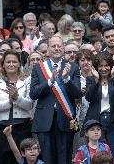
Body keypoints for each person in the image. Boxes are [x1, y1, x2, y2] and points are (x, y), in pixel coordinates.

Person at [30, 36, 82, 164]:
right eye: (53, 46)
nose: (57, 48)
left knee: (64, 158)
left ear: (63, 48)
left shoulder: (73, 67)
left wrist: (66, 79)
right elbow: (33, 94)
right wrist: (50, 81)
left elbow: (77, 94)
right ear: (47, 49)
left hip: (65, 119)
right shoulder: (39, 68)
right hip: (44, 120)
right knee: (47, 159)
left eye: (59, 46)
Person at [0, 50, 33, 164]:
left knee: (22, 160)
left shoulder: (27, 81)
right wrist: (9, 100)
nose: (11, 64)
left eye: (14, 61)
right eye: (8, 62)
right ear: (3, 64)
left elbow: (29, 105)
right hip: (1, 129)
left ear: (19, 64)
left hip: (22, 127)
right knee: (2, 159)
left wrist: (17, 98)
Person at [84, 52, 114, 158]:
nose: (104, 69)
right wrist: (96, 80)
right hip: (96, 121)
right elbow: (89, 97)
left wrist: (113, 77)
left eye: (107, 65)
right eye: (101, 66)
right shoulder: (91, 79)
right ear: (96, 67)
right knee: (97, 155)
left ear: (111, 66)